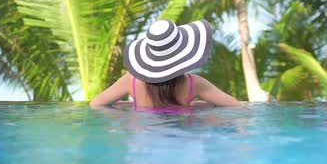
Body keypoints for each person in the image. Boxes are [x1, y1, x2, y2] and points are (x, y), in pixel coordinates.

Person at [90, 19, 240, 111]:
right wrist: (196, 105)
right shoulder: (194, 83)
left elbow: (96, 104)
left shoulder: (131, 81)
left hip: (143, 150)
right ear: (183, 52)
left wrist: (130, 106)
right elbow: (234, 105)